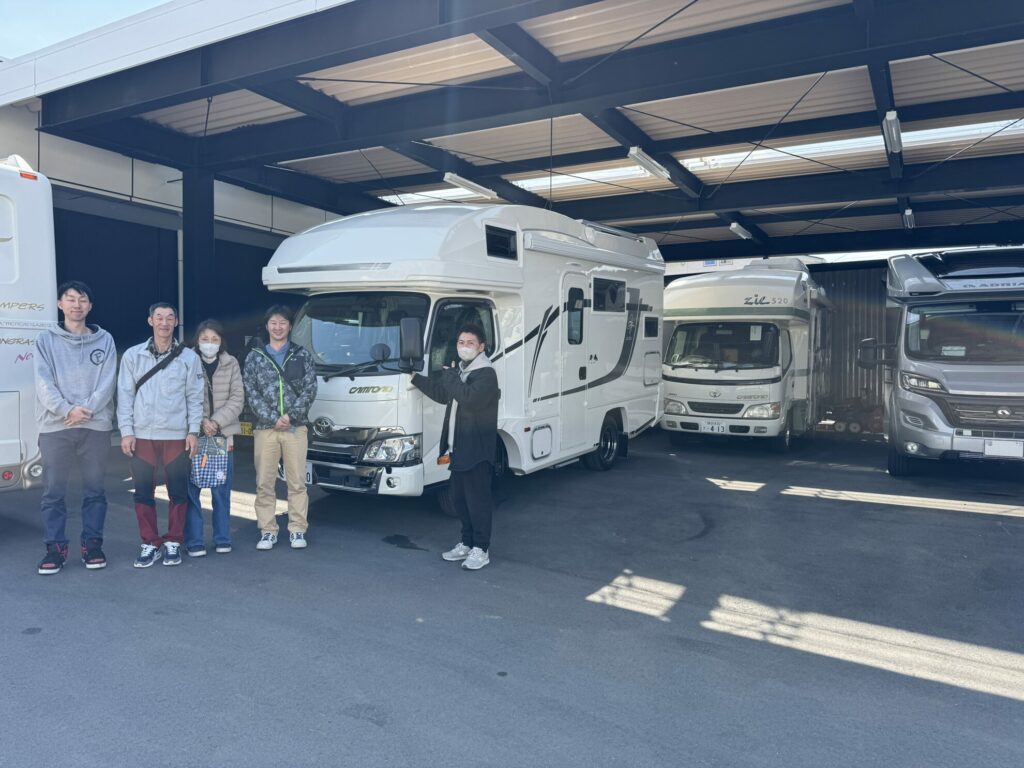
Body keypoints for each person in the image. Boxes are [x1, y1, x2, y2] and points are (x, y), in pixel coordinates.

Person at [34, 281, 117, 575]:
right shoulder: (45, 340)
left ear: (90, 306)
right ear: (60, 304)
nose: (76, 304)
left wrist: (86, 410)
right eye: (70, 299)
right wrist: (67, 410)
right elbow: (43, 382)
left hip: (95, 427)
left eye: (82, 300)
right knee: (54, 492)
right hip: (56, 427)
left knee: (95, 490)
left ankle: (92, 545)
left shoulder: (105, 340)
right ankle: (54, 549)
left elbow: (108, 381)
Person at [117, 302, 203, 568]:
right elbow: (125, 395)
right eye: (159, 317)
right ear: (150, 321)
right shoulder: (133, 355)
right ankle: (150, 543)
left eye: (169, 318)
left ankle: (174, 541)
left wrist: (193, 431)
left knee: (178, 492)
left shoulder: (188, 358)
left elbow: (195, 397)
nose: (164, 322)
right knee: (143, 492)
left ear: (176, 322)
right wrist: (126, 432)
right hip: (142, 435)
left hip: (176, 435)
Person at [411, 323, 500, 571]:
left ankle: (481, 548)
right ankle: (467, 542)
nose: (464, 347)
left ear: (481, 347)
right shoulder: (462, 371)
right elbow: (444, 394)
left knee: (478, 501)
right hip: (459, 448)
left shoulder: (486, 373)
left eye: (470, 343)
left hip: (477, 449)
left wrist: (450, 376)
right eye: (461, 342)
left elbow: (469, 399)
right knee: (460, 501)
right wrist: (416, 379)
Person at [243, 305, 317, 551]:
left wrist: (290, 416)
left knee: (297, 483)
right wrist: (272, 418)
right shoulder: (255, 357)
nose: (278, 327)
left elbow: (310, 388)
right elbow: (251, 392)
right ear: (267, 326)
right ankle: (267, 530)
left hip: (296, 428)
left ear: (290, 326)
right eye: (273, 323)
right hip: (266, 429)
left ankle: (297, 529)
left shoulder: (302, 355)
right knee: (264, 483)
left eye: (282, 322)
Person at [184, 319, 244, 557]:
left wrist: (216, 421)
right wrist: (202, 422)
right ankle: (195, 541)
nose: (209, 343)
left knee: (221, 490)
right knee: (191, 490)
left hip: (222, 436)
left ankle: (222, 538)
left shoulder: (231, 363)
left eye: (214, 339)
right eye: (204, 339)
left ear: (221, 342)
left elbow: (237, 398)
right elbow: (182, 396)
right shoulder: (186, 361)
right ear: (197, 340)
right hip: (193, 435)